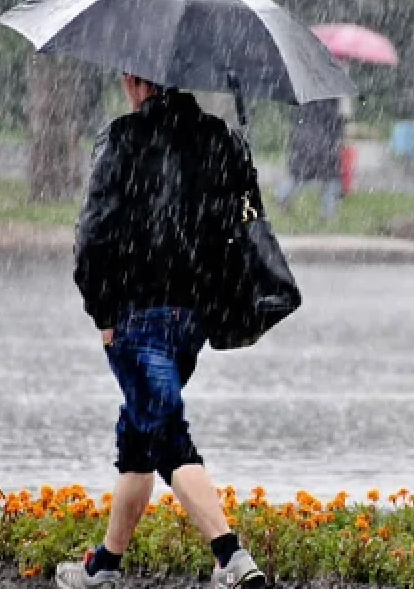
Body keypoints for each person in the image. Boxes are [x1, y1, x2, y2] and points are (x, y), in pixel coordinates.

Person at [58, 73, 266, 589]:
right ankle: (104, 565)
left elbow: (93, 235)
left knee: (168, 436)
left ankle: (232, 558)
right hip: (193, 318)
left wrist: (103, 314)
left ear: (135, 79)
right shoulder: (220, 139)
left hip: (136, 314)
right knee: (141, 433)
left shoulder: (122, 138)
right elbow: (240, 225)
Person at [276, 97, 349, 218]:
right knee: (331, 179)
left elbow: (295, 120)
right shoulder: (331, 102)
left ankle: (281, 194)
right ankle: (328, 213)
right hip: (324, 146)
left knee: (297, 175)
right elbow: (336, 125)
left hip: (302, 143)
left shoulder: (304, 97)